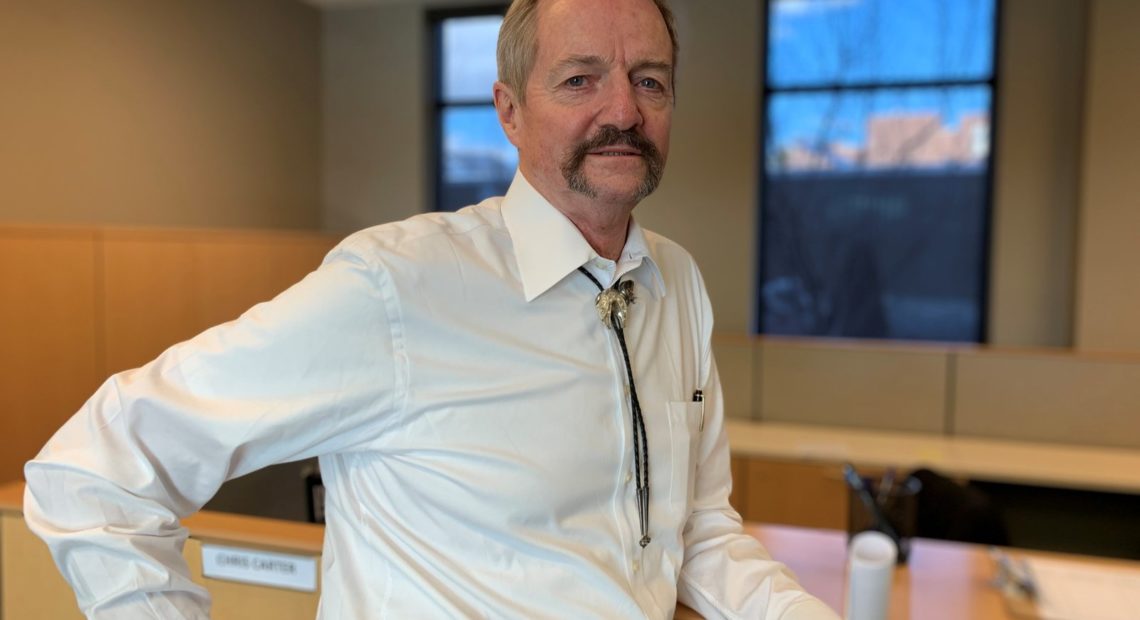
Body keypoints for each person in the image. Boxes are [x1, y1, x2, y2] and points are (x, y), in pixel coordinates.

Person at [24, 0, 838, 617]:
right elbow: (92, 471)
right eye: (580, 79)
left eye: (648, 80)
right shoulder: (398, 286)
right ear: (509, 110)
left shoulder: (676, 283)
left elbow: (696, 526)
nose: (622, 110)